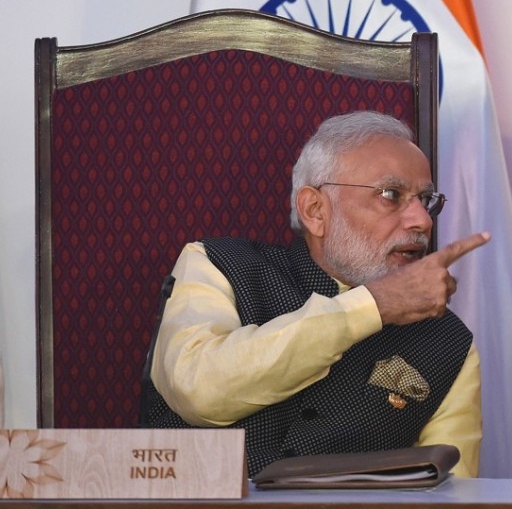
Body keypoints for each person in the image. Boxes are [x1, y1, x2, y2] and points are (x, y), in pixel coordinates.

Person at [146, 111, 490, 478]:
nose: (422, 221)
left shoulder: (449, 343)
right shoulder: (217, 264)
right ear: (315, 211)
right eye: (391, 195)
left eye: (426, 199)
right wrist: (374, 306)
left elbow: (451, 494)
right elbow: (198, 391)